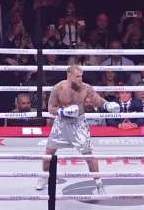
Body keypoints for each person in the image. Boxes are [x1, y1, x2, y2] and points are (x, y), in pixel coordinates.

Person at [41, 64, 120, 192]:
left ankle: (99, 183)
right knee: (49, 153)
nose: (80, 79)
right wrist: (63, 112)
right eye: (77, 76)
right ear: (69, 75)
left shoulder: (85, 88)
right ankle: (44, 177)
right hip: (61, 124)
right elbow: (51, 108)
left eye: (81, 76)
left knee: (89, 155)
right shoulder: (58, 88)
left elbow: (97, 99)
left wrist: (107, 104)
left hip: (79, 124)